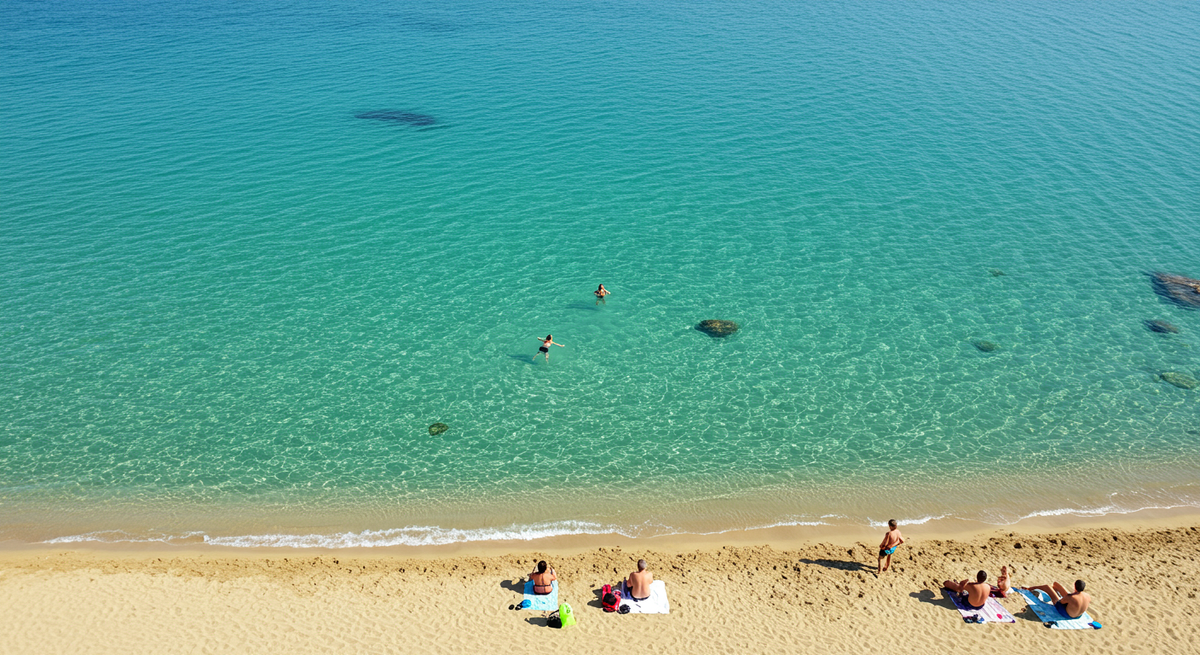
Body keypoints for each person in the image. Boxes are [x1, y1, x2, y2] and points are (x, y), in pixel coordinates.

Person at [1023, 579, 1090, 619]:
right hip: (1078, 616)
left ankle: (1029, 588)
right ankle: (1054, 587)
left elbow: (1061, 602)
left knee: (1047, 587)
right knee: (1055, 584)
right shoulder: (1087, 596)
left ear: (1074, 586)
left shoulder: (1072, 597)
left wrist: (1065, 597)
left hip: (1067, 614)